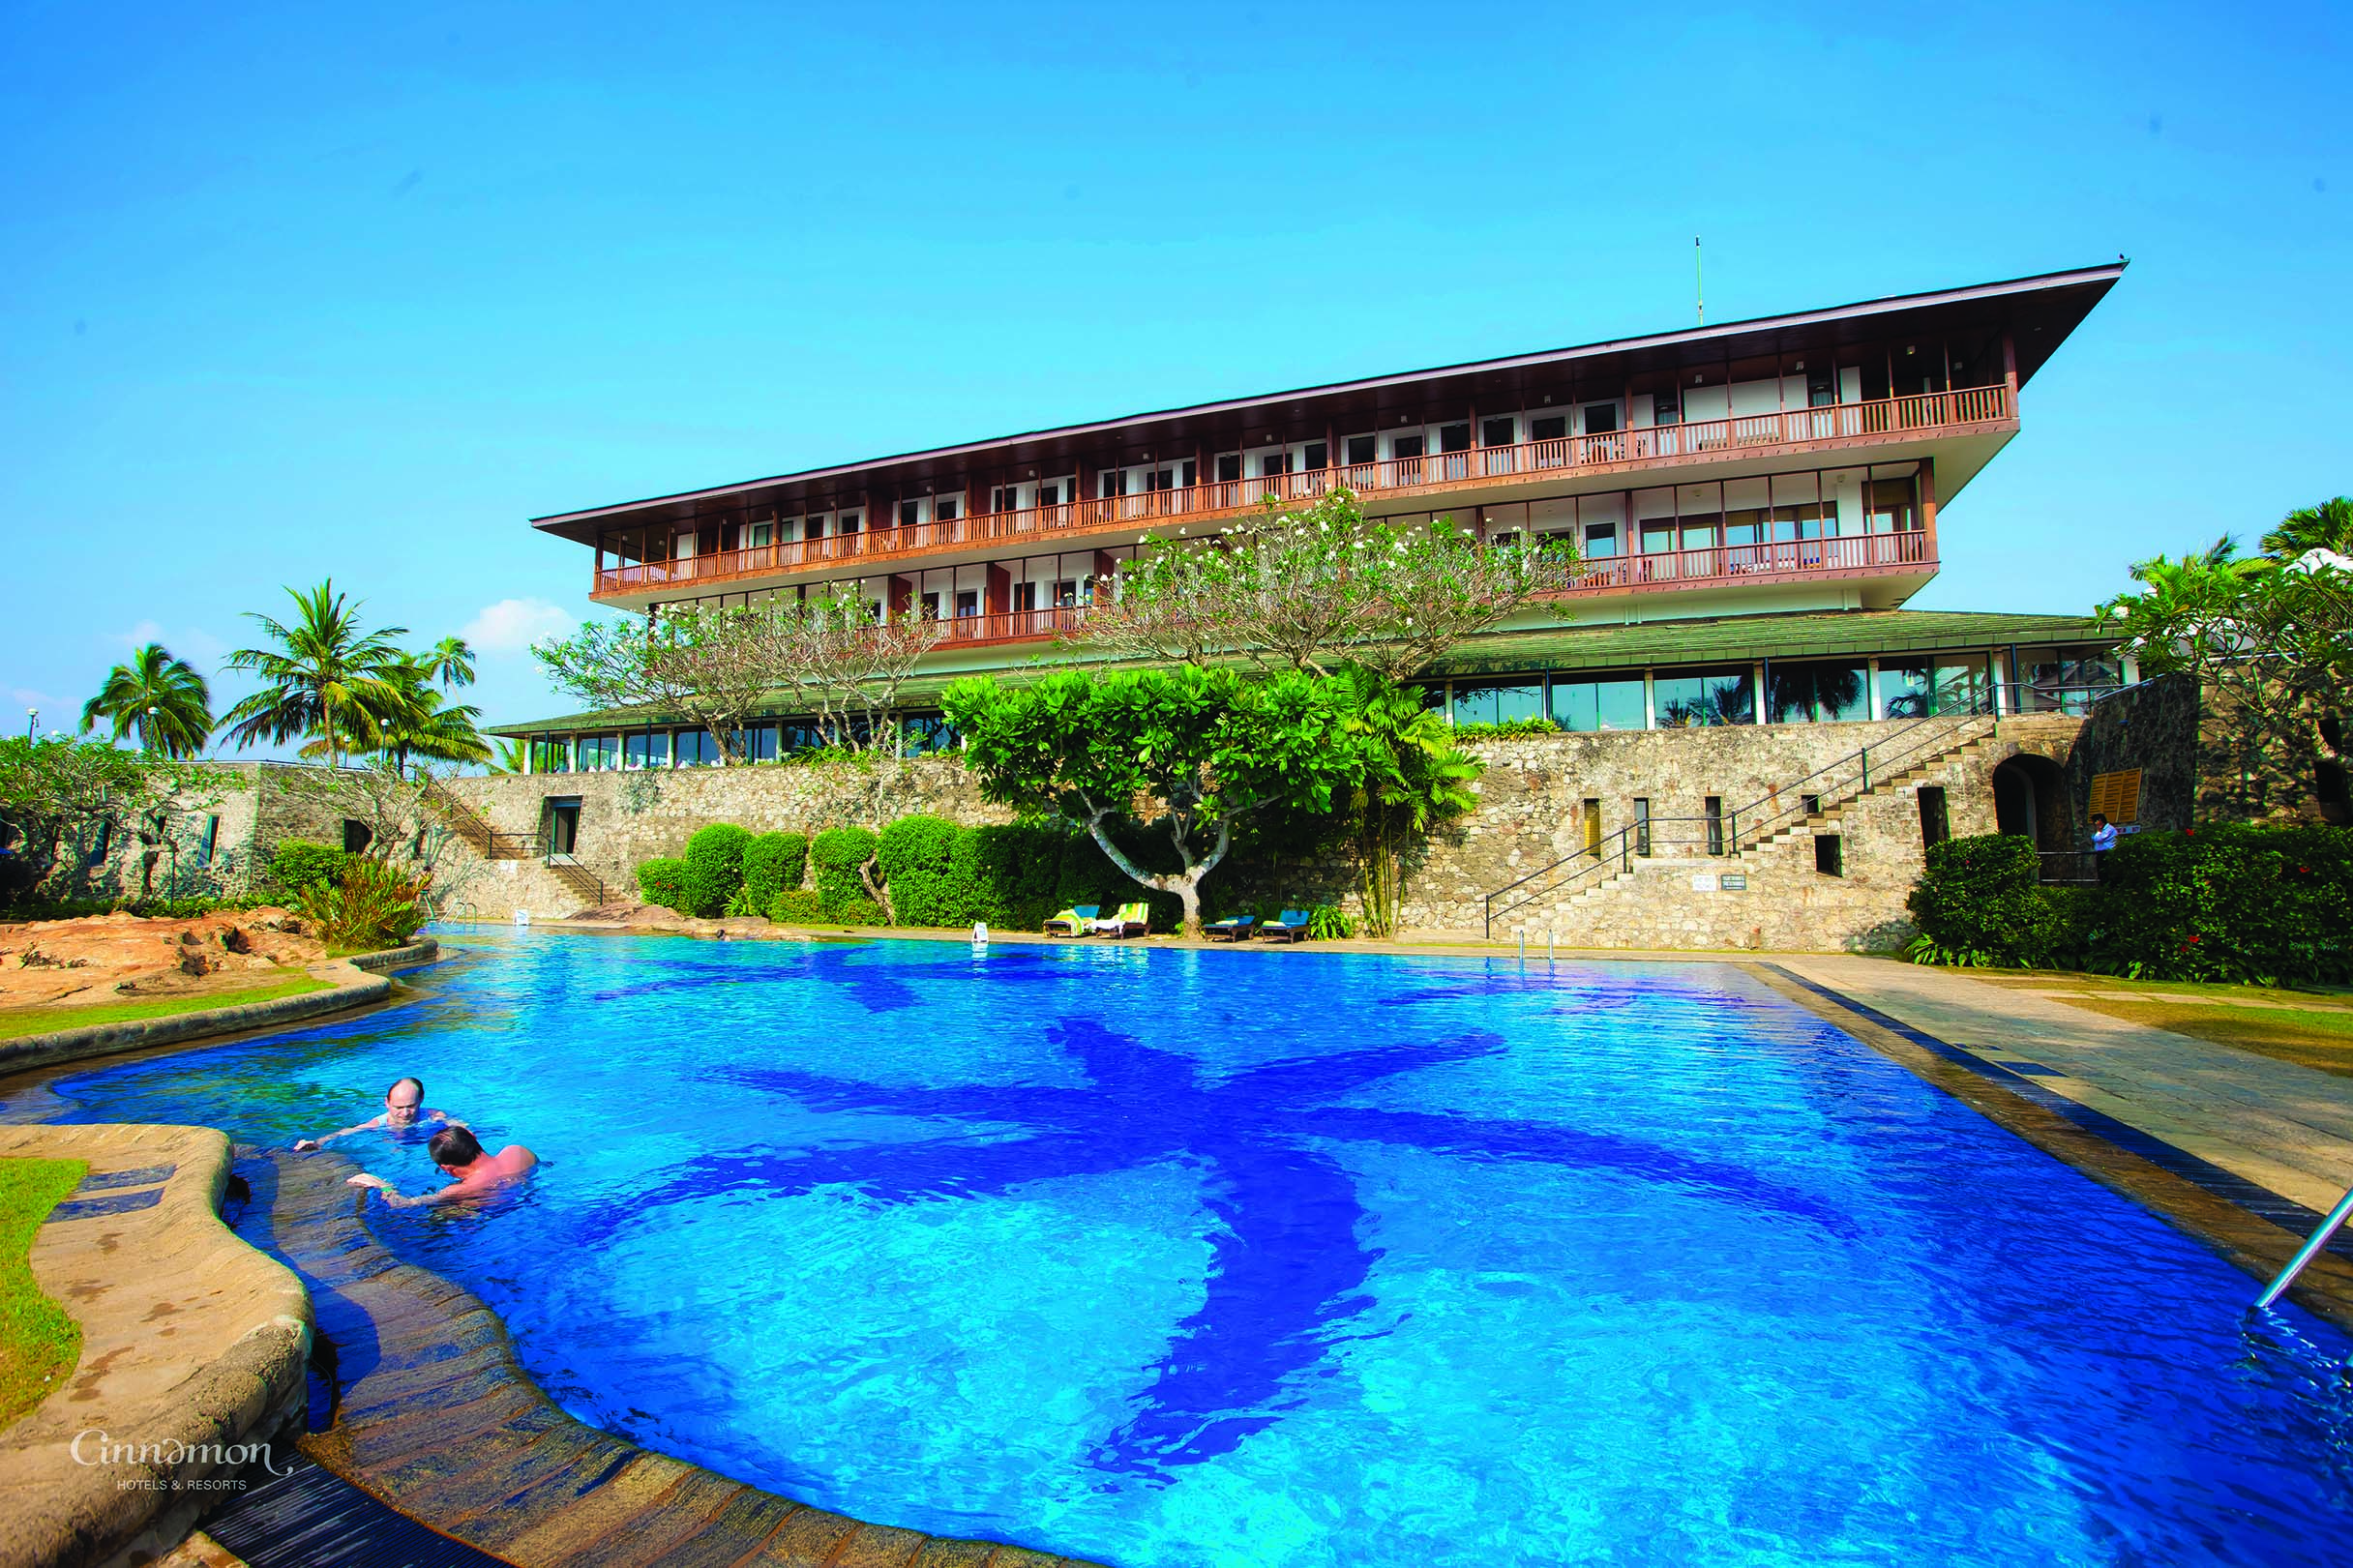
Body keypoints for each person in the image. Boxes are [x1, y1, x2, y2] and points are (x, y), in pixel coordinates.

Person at [346, 1126, 538, 1209]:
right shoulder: (518, 1151)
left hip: (489, 1214)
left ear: (447, 1168)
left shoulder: (460, 1189)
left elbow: (402, 1204)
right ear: (473, 1137)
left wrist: (383, 1186)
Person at [292, 1078, 463, 1152]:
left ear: (421, 1100)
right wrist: (318, 1142)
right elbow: (348, 1131)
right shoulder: (379, 1124)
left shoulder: (432, 1116)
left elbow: (458, 1125)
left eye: (411, 1106)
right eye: (398, 1107)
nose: (405, 1113)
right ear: (386, 1103)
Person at [2089, 814, 2118, 882]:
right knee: (2101, 873)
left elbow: (2099, 838)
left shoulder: (2109, 829)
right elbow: (2094, 838)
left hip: (2107, 853)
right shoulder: (2102, 830)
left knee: (2107, 872)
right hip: (2100, 853)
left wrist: (2098, 831)